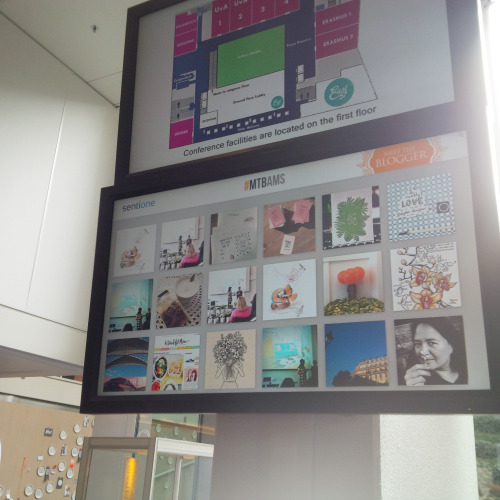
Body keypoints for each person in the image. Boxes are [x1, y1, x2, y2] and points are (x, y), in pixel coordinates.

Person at [403, 317, 468, 386]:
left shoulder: (467, 371)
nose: (423, 352)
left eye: (432, 343)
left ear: (451, 345)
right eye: (418, 344)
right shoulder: (416, 381)